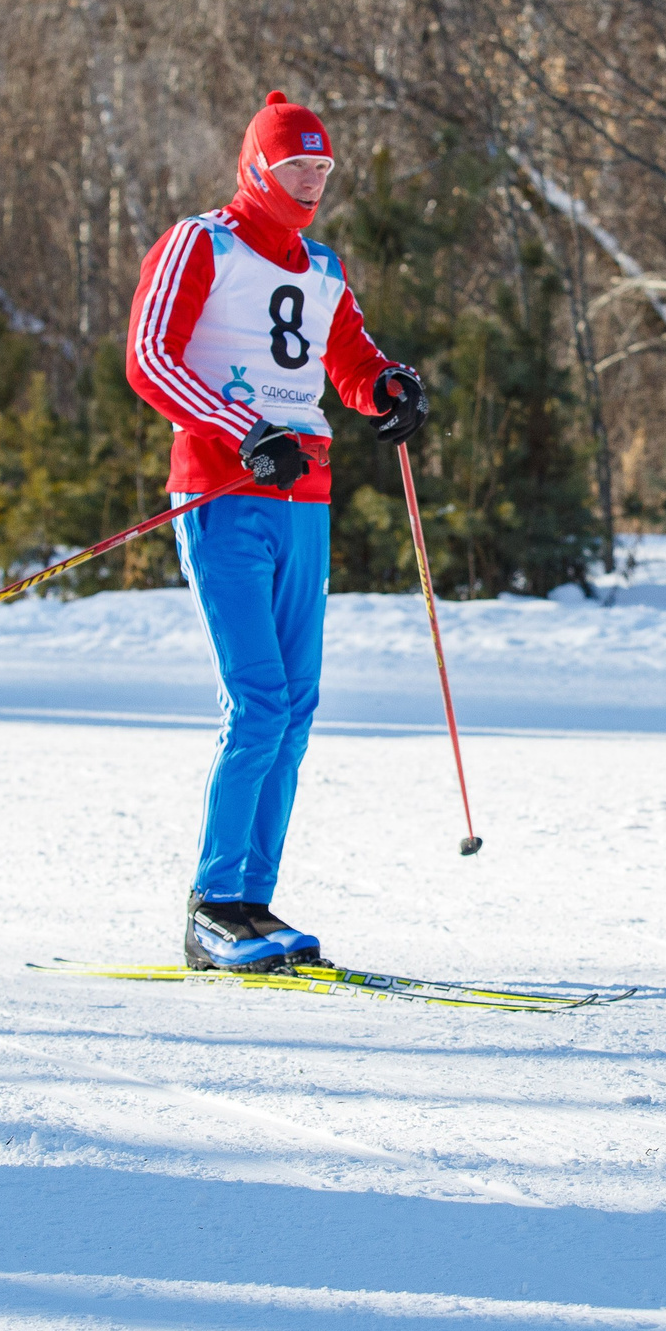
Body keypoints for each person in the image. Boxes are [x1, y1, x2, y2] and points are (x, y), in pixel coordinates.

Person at [126, 90, 430, 972]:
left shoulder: (324, 267)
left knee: (295, 710)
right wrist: (241, 429)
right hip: (223, 497)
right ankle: (211, 904)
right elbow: (151, 356)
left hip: (306, 504)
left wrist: (390, 390)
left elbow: (350, 362)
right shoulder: (203, 243)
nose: (312, 185)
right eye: (297, 168)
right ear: (257, 167)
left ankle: (252, 903)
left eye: (324, 171)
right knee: (257, 702)